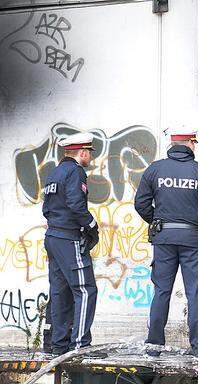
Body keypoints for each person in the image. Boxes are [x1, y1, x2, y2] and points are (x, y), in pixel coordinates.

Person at [134, 128, 198, 357]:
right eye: (195, 142)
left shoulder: (155, 170)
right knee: (194, 292)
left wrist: (157, 221)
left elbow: (141, 203)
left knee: (161, 291)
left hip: (163, 239)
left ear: (172, 145)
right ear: (190, 143)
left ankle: (154, 346)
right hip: (193, 239)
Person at [42, 132, 101, 356]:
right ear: (83, 153)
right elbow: (77, 205)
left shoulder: (54, 173)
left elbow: (46, 208)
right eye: (90, 154)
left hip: (53, 238)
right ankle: (80, 345)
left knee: (60, 292)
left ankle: (59, 345)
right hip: (69, 238)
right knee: (86, 290)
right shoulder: (76, 172)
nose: (90, 159)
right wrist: (91, 225)